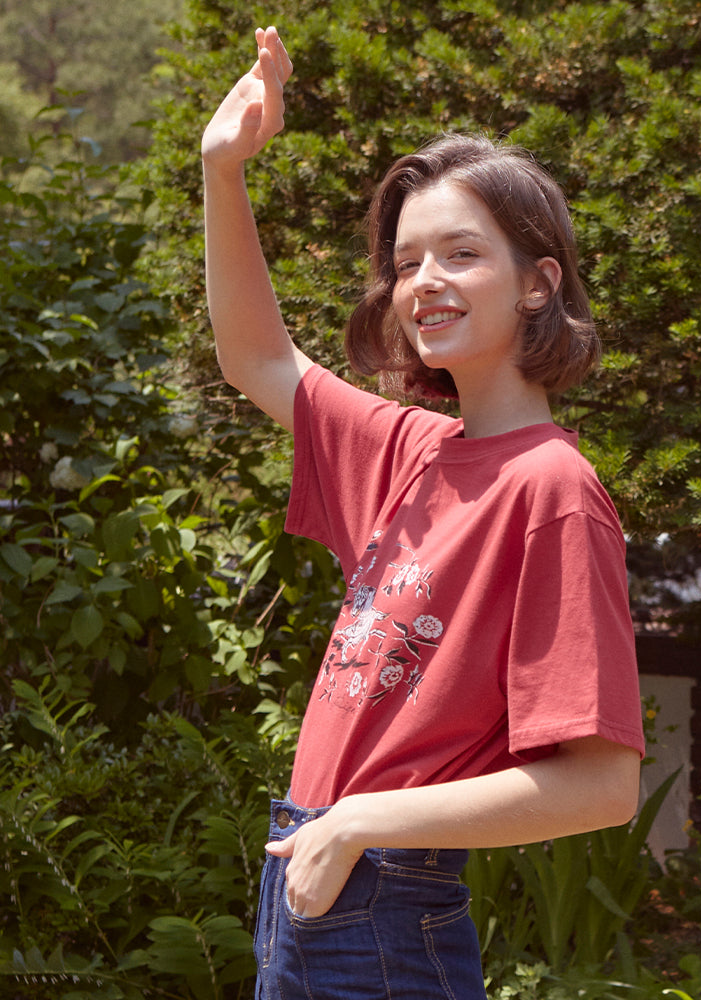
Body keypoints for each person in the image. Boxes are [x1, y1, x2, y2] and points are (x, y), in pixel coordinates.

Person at [202, 25, 645, 1000]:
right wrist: (222, 172)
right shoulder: (407, 448)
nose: (424, 283)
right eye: (406, 263)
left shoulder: (552, 491)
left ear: (540, 282)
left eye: (460, 253)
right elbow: (258, 361)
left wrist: (363, 821)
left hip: (384, 902)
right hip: (311, 881)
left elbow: (603, 785)